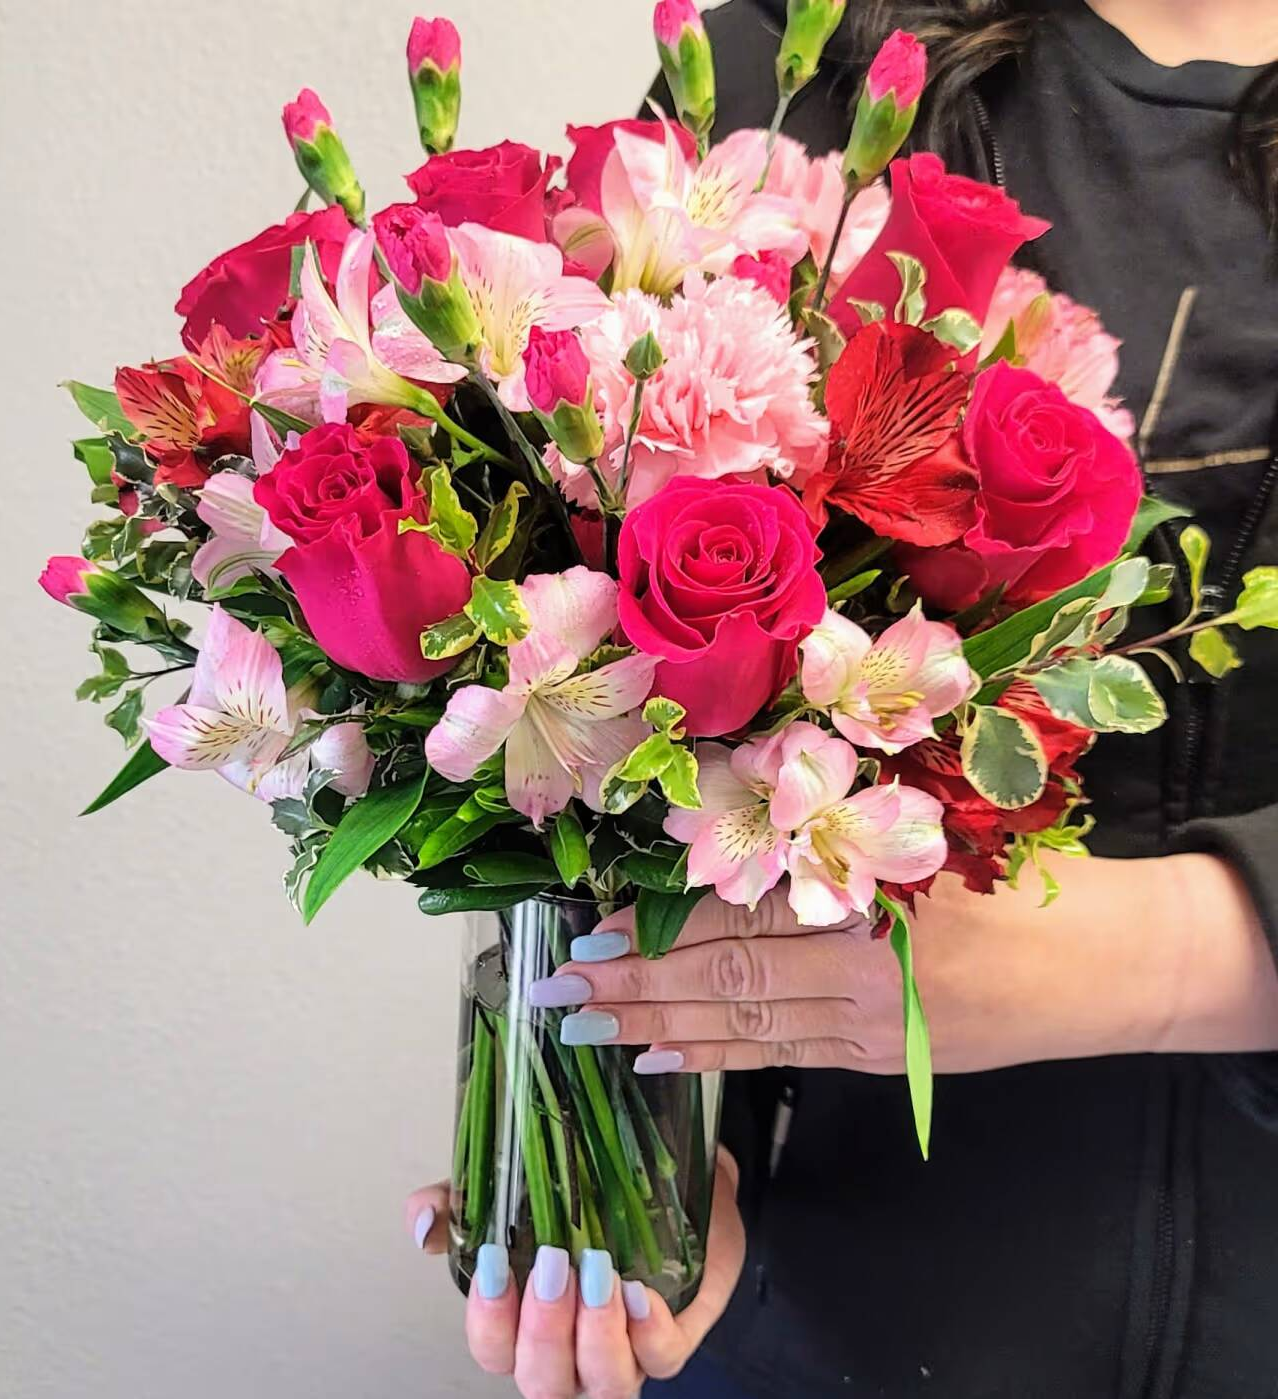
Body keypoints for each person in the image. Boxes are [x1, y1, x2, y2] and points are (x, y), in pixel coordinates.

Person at [405, 2, 1278, 1394]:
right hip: (809, 1311)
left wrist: (1180, 947)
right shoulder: (810, 59)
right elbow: (600, 643)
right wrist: (642, 1212)